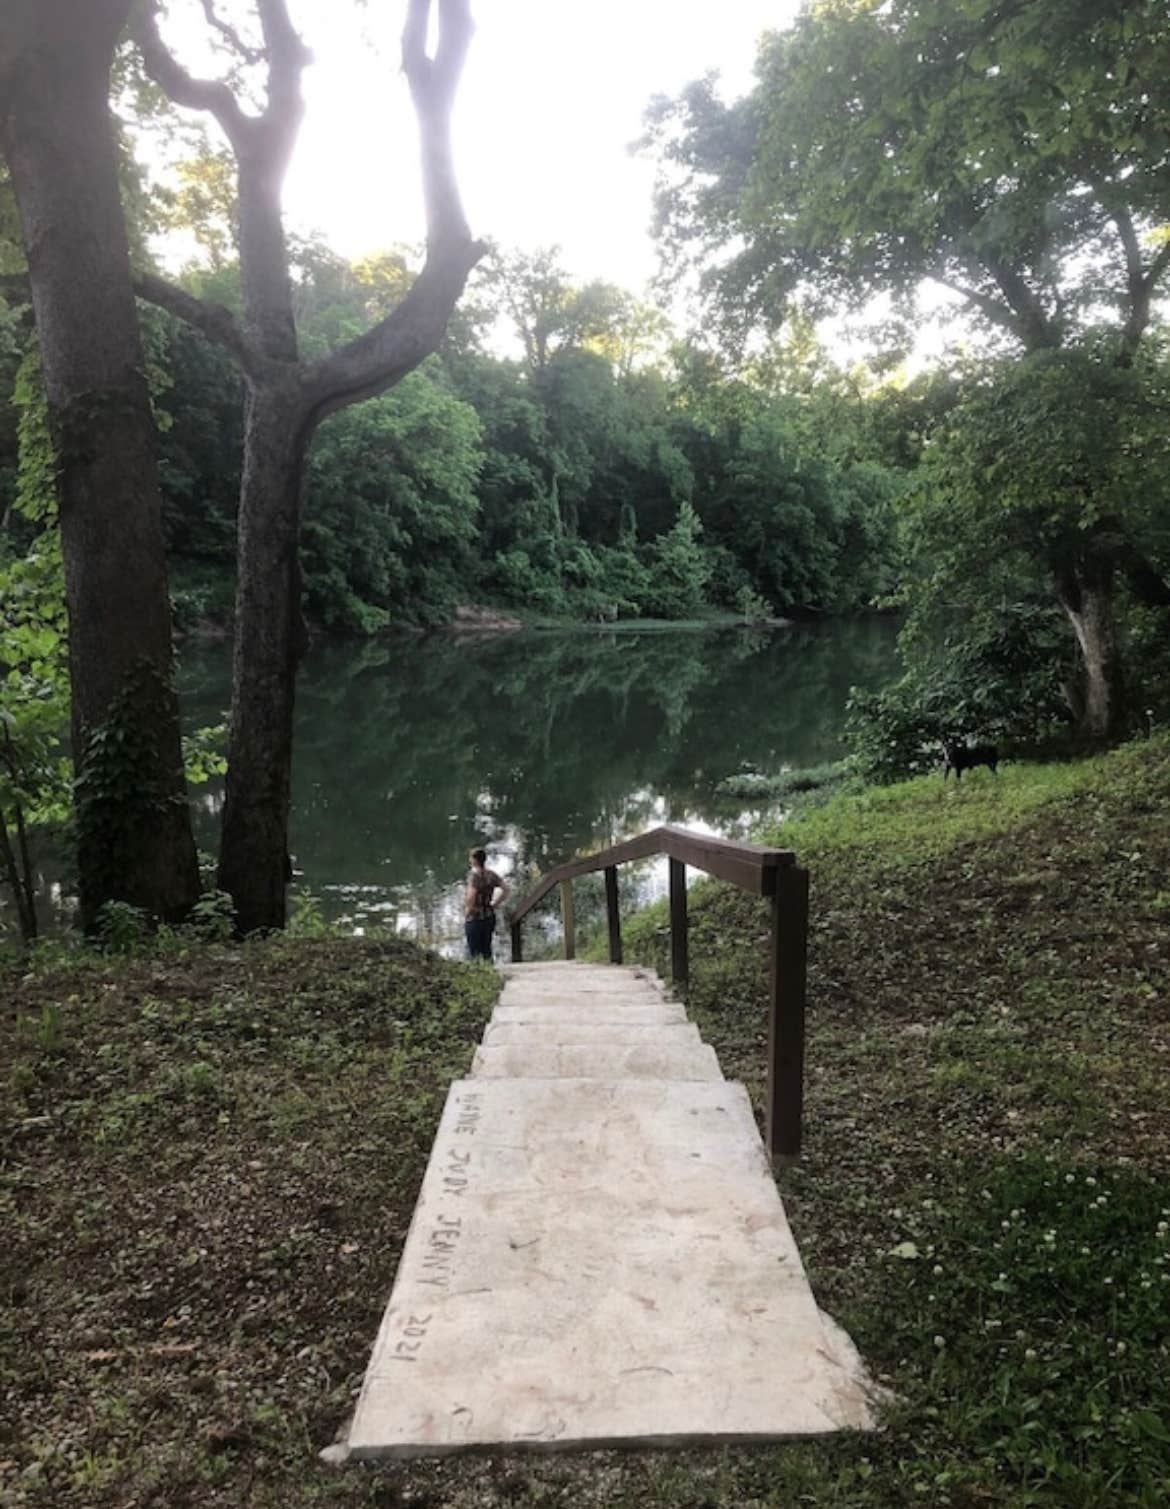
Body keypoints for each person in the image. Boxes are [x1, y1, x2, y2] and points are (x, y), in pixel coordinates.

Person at [464, 847, 508, 961]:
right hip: (489, 915)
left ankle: (478, 975)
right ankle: (490, 971)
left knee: (474, 951)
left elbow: (471, 896)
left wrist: (469, 911)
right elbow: (506, 889)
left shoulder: (473, 877)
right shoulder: (492, 875)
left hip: (475, 917)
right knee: (487, 948)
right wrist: (495, 904)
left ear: (474, 860)